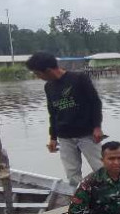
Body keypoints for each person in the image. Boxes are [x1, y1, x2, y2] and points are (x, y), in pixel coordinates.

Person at [26, 52, 105, 187]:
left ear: (48, 71)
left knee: (100, 167)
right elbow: (53, 112)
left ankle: (111, 195)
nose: (38, 77)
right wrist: (53, 137)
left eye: (38, 74)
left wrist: (97, 127)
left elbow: (95, 103)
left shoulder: (79, 78)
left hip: (87, 133)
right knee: (72, 173)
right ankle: (80, 201)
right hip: (65, 137)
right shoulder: (49, 87)